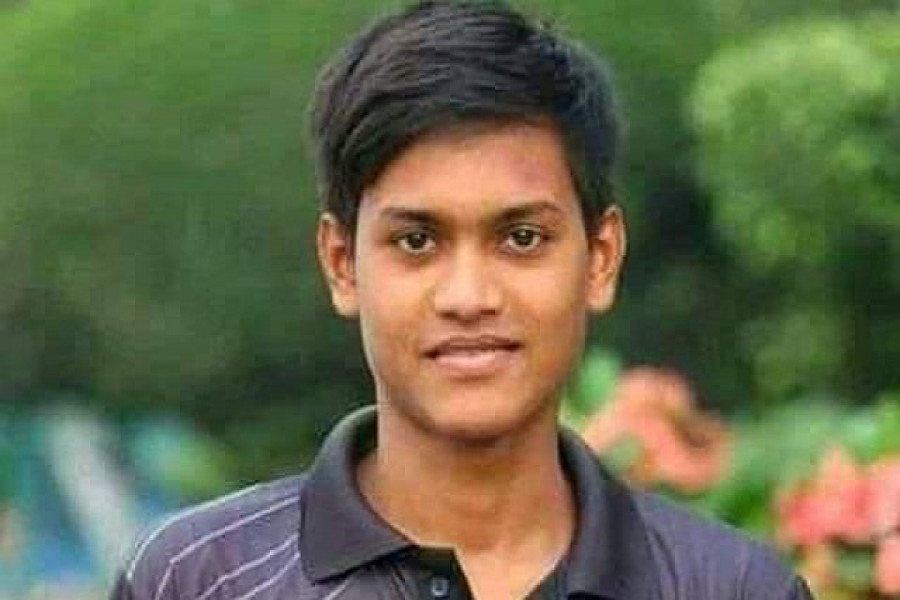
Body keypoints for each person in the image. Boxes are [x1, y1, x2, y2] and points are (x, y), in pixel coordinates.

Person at [110, 1, 814, 599]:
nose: (468, 296)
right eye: (417, 241)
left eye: (522, 238)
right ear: (342, 264)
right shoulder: (199, 578)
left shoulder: (730, 585)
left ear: (601, 258)